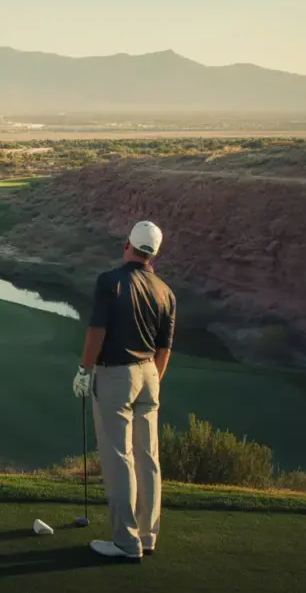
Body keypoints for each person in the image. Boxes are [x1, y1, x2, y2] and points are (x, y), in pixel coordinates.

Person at [72, 221, 176, 560]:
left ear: (127, 245)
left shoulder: (110, 282)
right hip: (150, 375)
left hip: (117, 376)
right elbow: (164, 350)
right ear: (155, 254)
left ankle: (125, 542)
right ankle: (148, 537)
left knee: (119, 460)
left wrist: (84, 370)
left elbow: (96, 332)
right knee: (148, 459)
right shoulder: (166, 291)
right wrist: (153, 380)